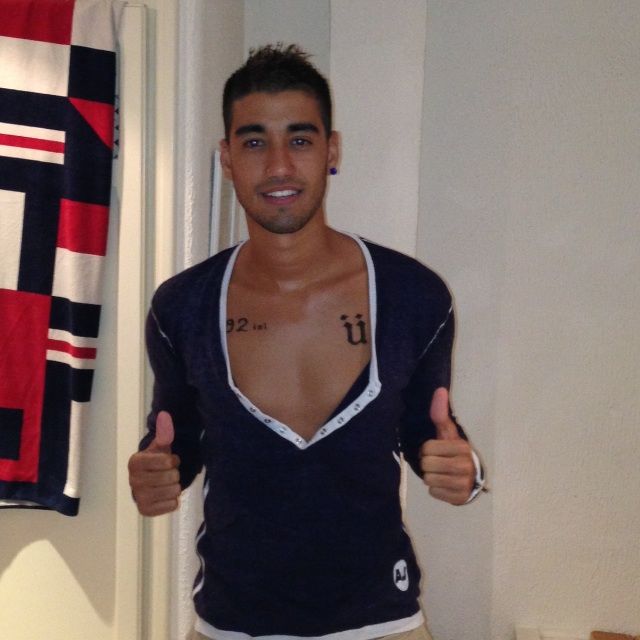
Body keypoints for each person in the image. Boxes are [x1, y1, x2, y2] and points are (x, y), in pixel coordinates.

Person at [128, 44, 485, 640]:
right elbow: (175, 438)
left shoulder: (414, 296)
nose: (278, 167)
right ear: (226, 157)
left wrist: (463, 470)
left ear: (331, 150)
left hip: (382, 622)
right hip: (231, 622)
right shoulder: (182, 306)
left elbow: (429, 432)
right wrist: (155, 471)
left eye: (299, 139)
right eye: (253, 142)